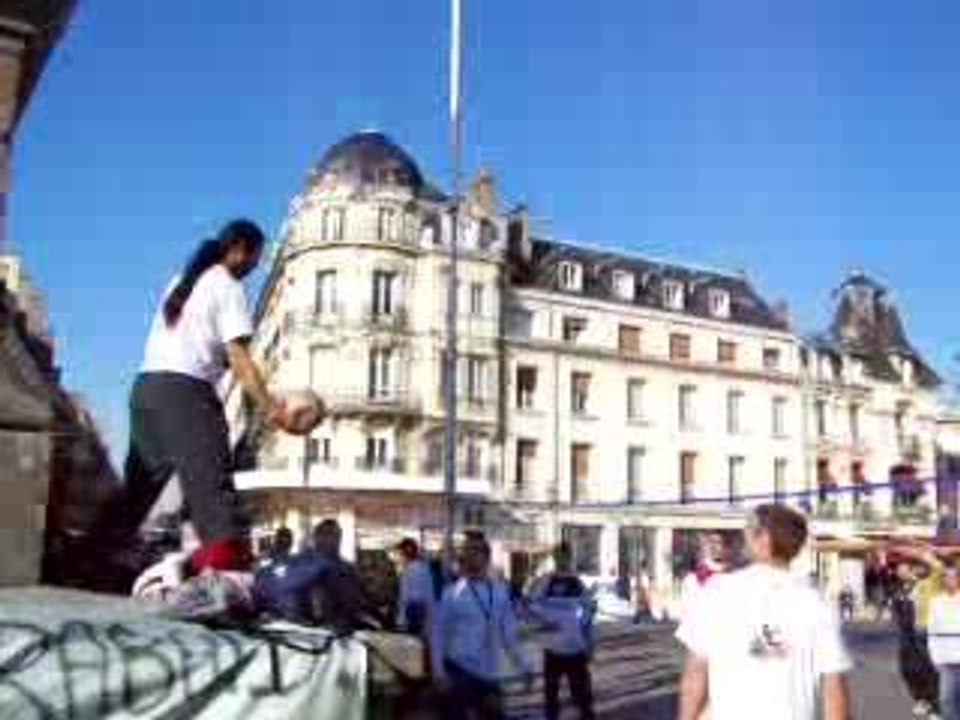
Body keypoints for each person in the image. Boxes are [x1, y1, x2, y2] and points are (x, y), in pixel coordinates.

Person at [83, 220, 310, 587]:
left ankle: (91, 562)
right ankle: (228, 576)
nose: (255, 265)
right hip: (184, 391)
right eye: (255, 256)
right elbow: (239, 358)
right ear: (238, 249)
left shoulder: (182, 281)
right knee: (211, 484)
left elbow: (194, 342)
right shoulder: (227, 285)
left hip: (146, 390)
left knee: (138, 491)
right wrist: (271, 408)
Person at [676, 504, 852, 720]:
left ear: (764, 539)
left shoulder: (718, 591)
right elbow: (834, 691)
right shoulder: (817, 603)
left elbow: (695, 674)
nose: (744, 536)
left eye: (749, 530)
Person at [430, 532, 534, 719]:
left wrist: (524, 665)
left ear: (486, 557)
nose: (467, 555)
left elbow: (509, 633)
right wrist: (438, 671)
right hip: (458, 670)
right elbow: (437, 633)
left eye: (473, 551)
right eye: (465, 551)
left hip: (488, 672)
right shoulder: (451, 594)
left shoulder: (500, 591)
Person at [528, 544, 595, 720]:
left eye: (565, 556)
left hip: (575, 650)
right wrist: (545, 621)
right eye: (559, 556)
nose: (562, 560)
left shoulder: (577, 582)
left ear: (570, 558)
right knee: (551, 699)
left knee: (583, 699)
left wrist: (586, 637)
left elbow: (589, 610)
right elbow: (531, 605)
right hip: (553, 650)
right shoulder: (545, 581)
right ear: (555, 558)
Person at [678, 530, 736, 622]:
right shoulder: (692, 580)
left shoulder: (737, 578)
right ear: (703, 547)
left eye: (718, 542)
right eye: (709, 542)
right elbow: (686, 614)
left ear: (727, 548)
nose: (713, 547)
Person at [929, 563, 960, 720]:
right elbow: (932, 632)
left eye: (953, 577)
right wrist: (935, 658)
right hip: (946, 659)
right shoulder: (936, 602)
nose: (949, 580)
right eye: (946, 577)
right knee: (946, 700)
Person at [395, 537, 437, 636]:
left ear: (406, 552)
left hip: (413, 610)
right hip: (423, 609)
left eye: (402, 552)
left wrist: (400, 619)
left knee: (412, 641)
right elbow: (430, 591)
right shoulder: (424, 567)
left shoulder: (409, 570)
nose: (401, 555)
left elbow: (404, 595)